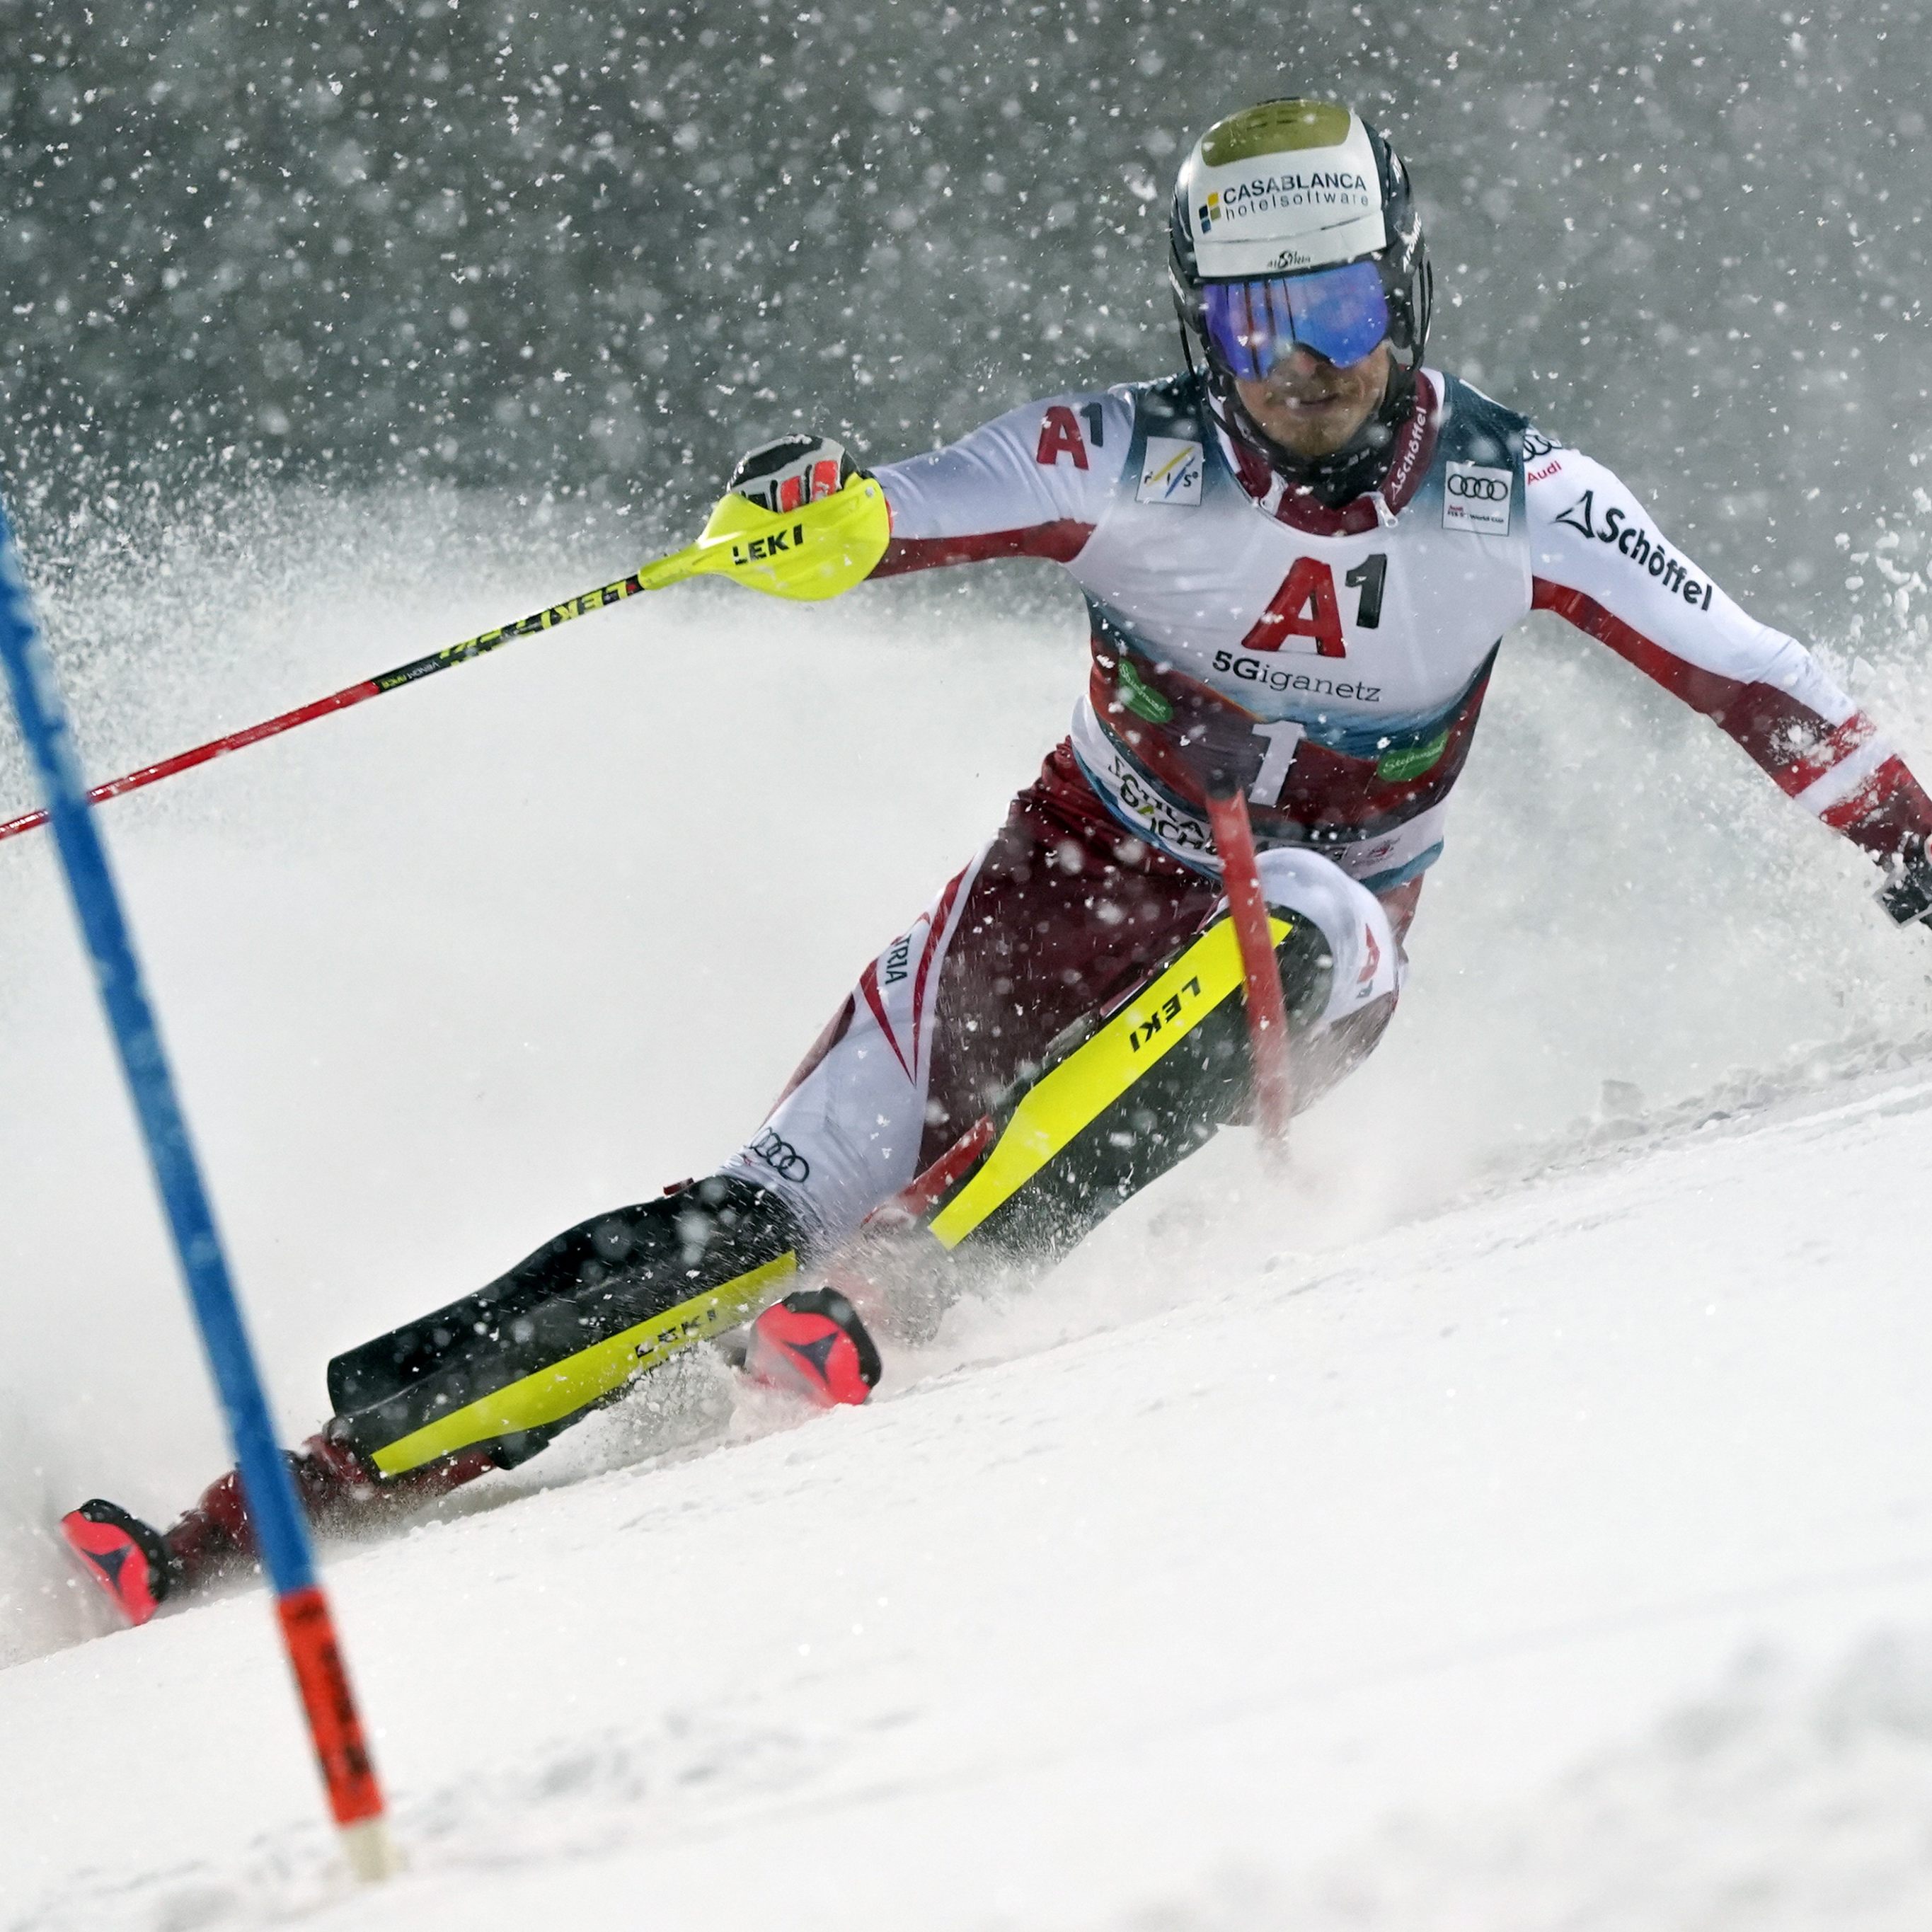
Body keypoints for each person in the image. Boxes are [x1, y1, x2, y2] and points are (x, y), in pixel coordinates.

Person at [62, 97, 1932, 1623]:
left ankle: (904, 1288)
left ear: (1406, 292)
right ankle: (244, 1513)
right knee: (725, 1232)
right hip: (1032, 920)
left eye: (1341, 316)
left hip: (1291, 951)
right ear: (1201, 325)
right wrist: (802, 509)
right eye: (1257, 328)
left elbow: (1765, 682)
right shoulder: (1129, 459)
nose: (1302, 371)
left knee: (1312, 909)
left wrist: (1904, 845)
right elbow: (892, 509)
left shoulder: (1517, 497)